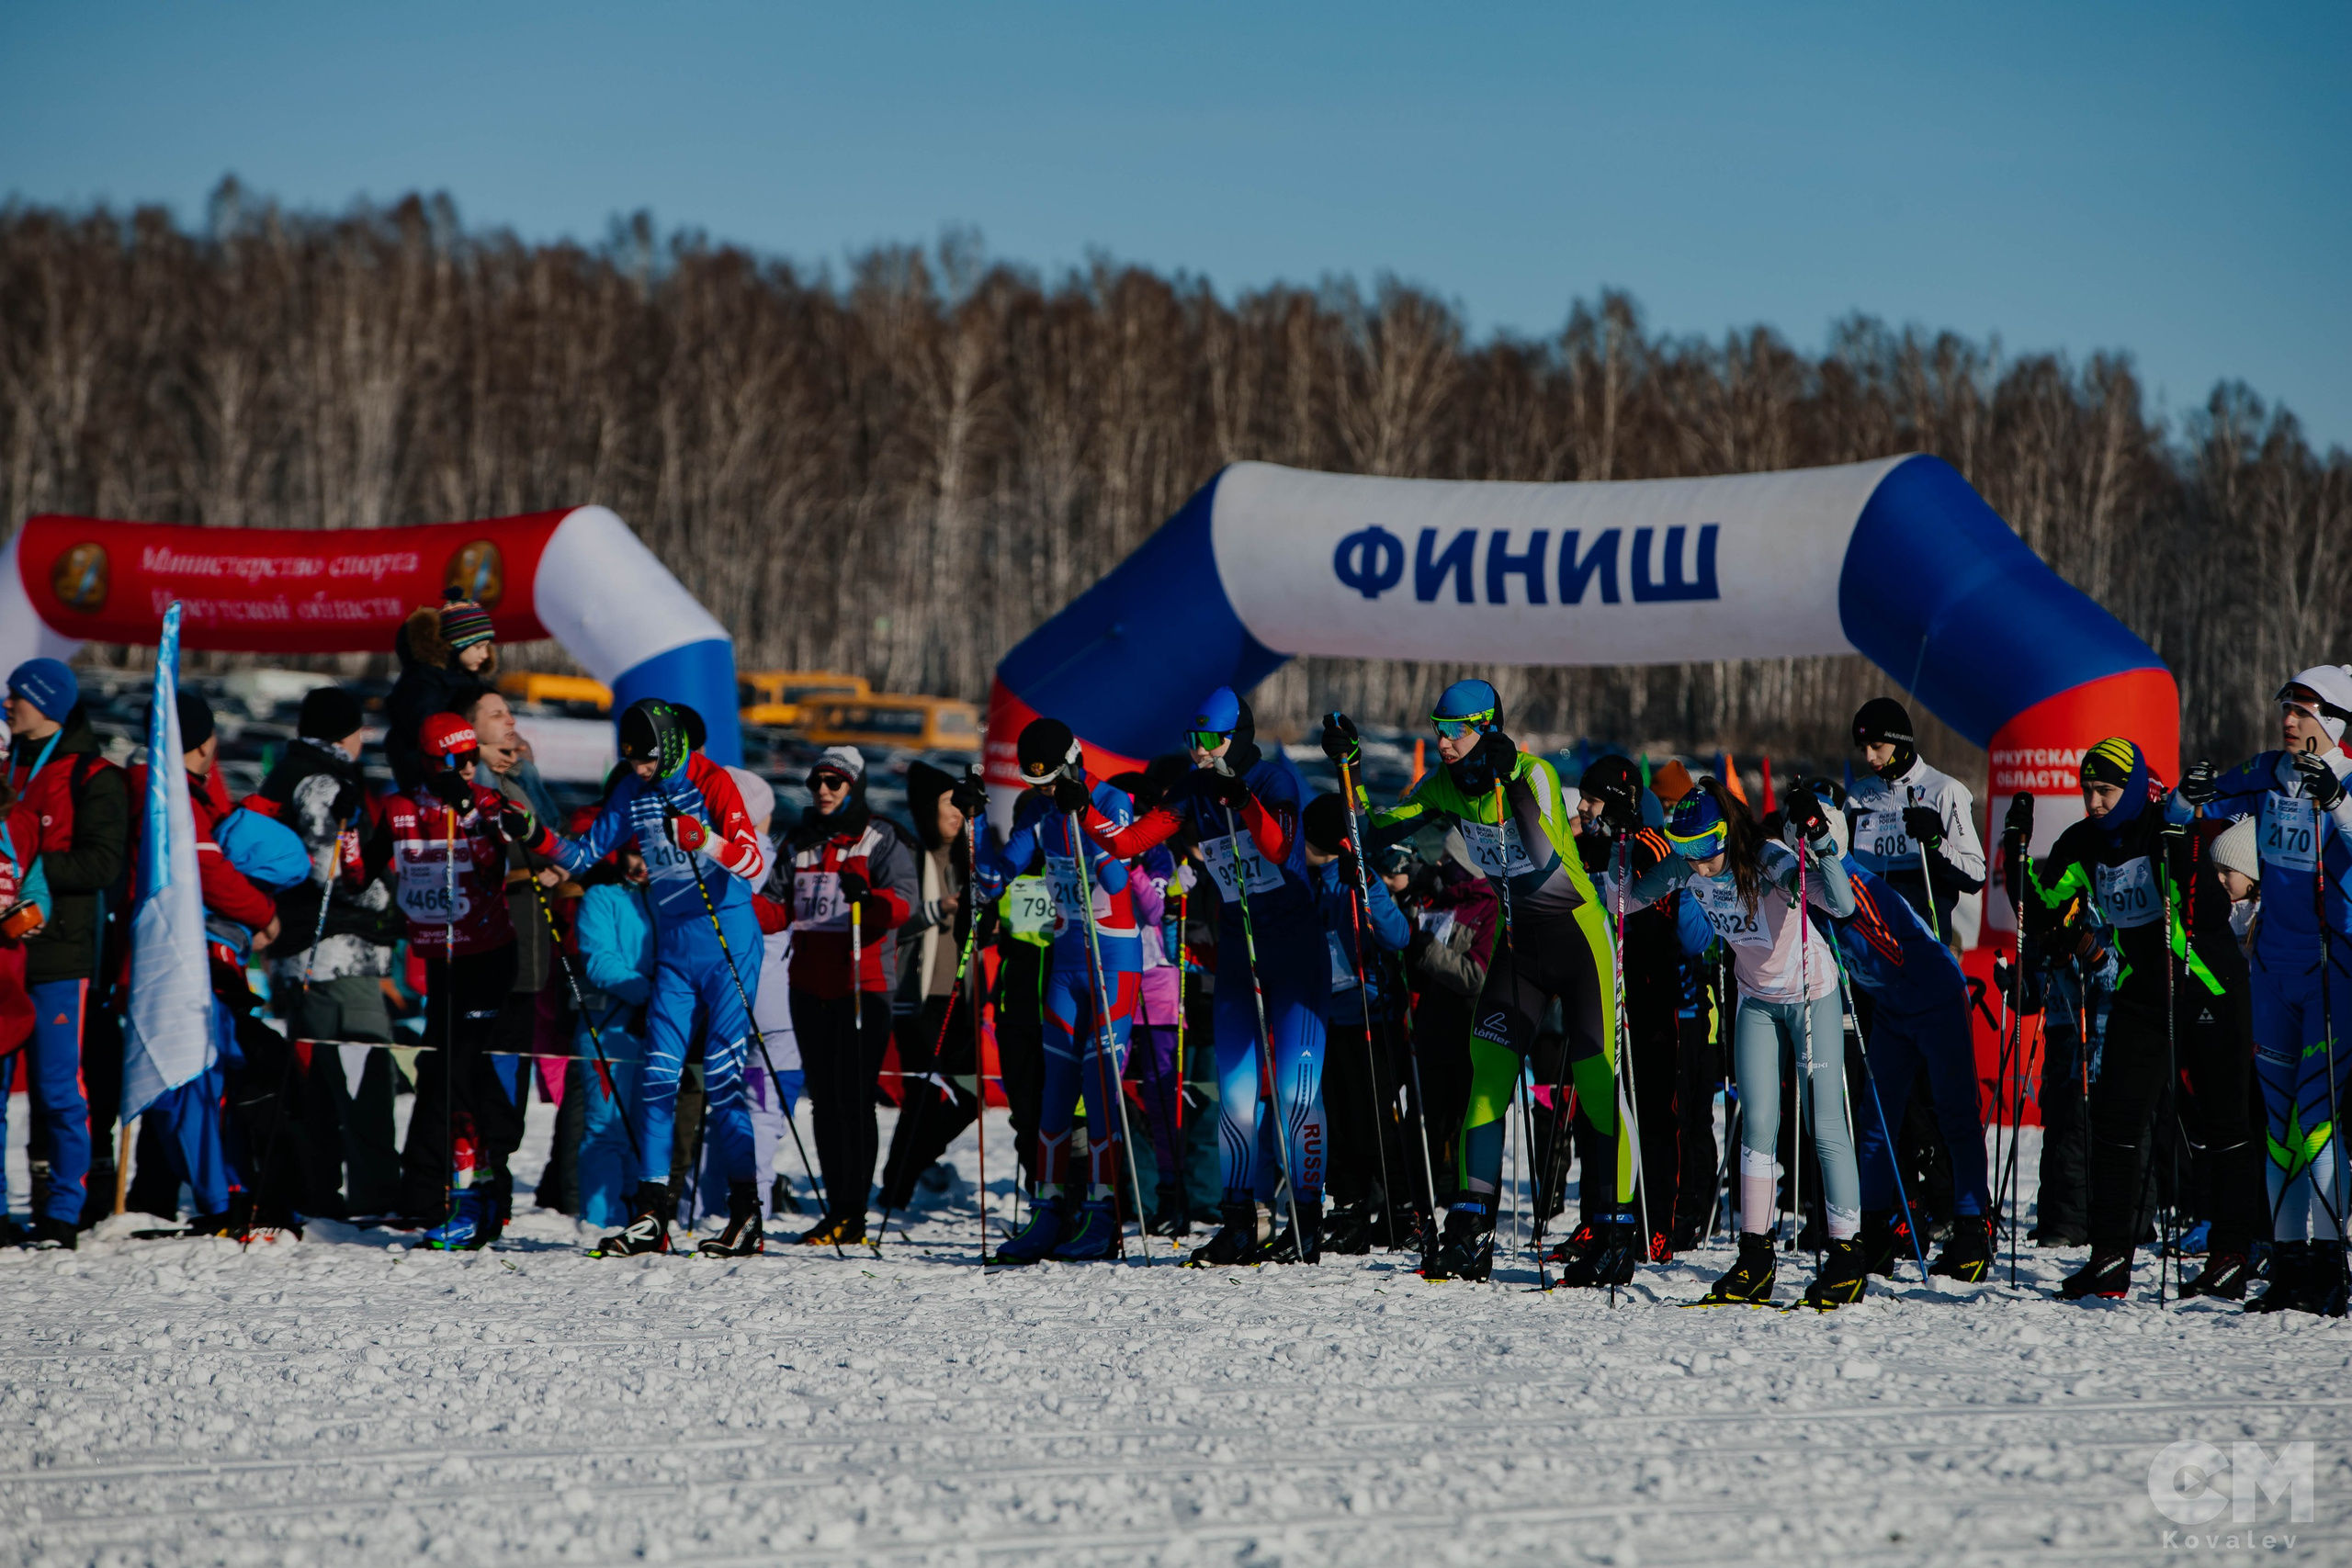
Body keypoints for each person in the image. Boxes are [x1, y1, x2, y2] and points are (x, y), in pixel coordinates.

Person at [1327, 681, 1629, 1282]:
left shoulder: (1536, 774)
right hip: (1519, 950)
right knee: (1486, 1078)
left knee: (1594, 1081)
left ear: (1486, 727)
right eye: (1437, 728)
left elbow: (1543, 856)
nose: (1441, 740)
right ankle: (1470, 1225)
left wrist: (1508, 782)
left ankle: (1614, 1226)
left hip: (1578, 939)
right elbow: (1373, 832)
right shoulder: (1445, 786)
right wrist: (1349, 769)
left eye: (1454, 730)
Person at [1082, 689, 1328, 1266]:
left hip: (1294, 955)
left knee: (1296, 1095)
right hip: (1240, 957)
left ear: (1235, 739)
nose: (1199, 751)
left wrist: (1240, 797)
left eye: (1211, 741)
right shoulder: (1194, 788)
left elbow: (1279, 844)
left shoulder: (1272, 783)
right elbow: (1128, 843)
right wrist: (1082, 796)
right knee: (1236, 1098)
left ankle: (1307, 1221)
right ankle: (1241, 1220)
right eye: (1192, 741)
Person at [525, 700, 772, 1257]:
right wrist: (534, 833)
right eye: (631, 762)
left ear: (676, 748)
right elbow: (584, 853)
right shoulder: (635, 791)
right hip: (677, 953)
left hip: (729, 941)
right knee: (657, 1078)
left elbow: (756, 868)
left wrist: (703, 839)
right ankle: (651, 1215)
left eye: (647, 761)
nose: (637, 771)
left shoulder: (714, 784)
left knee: (724, 1083)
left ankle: (746, 1214)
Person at [2016, 737, 2257, 1302]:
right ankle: (2109, 1257)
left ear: (2131, 789)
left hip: (2208, 986)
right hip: (2142, 991)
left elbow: (2187, 868)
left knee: (2222, 1125)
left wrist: (2181, 813)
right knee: (2117, 1121)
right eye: (2088, 791)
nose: (2095, 802)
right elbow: (2048, 906)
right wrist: (2017, 856)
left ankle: (2231, 1253)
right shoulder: (2081, 844)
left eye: (2106, 791)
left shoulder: (2162, 827)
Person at [1634, 777, 1865, 1309]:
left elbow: (1839, 904)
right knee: (1757, 1123)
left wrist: (1824, 846)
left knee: (1823, 1120)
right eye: (1684, 850)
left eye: (1702, 848)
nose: (1694, 863)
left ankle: (1847, 1255)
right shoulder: (1688, 865)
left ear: (1726, 833)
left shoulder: (1768, 860)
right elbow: (1625, 900)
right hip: (1756, 1000)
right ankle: (1756, 1255)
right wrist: (1620, 847)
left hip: (1810, 994)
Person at [2174, 667, 2352, 1314]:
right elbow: (2191, 808)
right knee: (2279, 1130)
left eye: (2303, 709)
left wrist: (2335, 801)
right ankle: (2289, 1264)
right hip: (2271, 970)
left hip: (2333, 971)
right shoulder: (2270, 771)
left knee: (2317, 1127)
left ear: (2331, 719)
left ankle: (2330, 1268)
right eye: (2286, 706)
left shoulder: (2346, 778)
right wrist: (2187, 794)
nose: (2289, 718)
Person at [1801, 780, 1996, 1282]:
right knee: (1875, 1120)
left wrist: (1840, 946)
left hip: (1933, 999)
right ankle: (1874, 1230)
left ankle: (1973, 1226)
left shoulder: (1856, 886)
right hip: (1891, 1010)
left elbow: (1892, 952)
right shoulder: (1815, 891)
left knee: (1955, 1112)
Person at [974, 720, 1144, 1263]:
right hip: (1067, 961)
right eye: (1033, 784)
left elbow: (1118, 882)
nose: (1043, 792)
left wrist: (1080, 820)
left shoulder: (1112, 800)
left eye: (1048, 782)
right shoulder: (1042, 813)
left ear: (1072, 764)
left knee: (1099, 1096)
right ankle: (1048, 1212)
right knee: (1052, 1096)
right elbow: (996, 874)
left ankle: (1103, 1215)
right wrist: (977, 821)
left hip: (1112, 961)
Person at [123, 693, 285, 1233]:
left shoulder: (154, 786)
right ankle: (224, 1198)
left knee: (183, 1081)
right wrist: (265, 915)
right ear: (203, 743)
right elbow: (210, 873)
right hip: (177, 958)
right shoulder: (171, 795)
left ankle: (193, 1192)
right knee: (195, 1077)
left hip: (153, 956)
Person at [244, 684, 402, 1221]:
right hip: (337, 953)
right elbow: (330, 868)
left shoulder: (291, 772)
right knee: (364, 1081)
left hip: (306, 951)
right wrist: (386, 895)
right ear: (347, 732)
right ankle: (376, 1198)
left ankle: (318, 1193)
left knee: (319, 1083)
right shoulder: (322, 783)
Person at [370, 713, 526, 1248]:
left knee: (464, 1071)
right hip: (441, 961)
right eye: (451, 763)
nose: (462, 771)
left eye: (467, 761)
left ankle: (487, 1185)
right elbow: (361, 870)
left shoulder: (484, 803)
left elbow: (492, 866)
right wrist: (349, 852)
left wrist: (469, 816)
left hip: (487, 956)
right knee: (449, 1076)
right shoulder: (398, 808)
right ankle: (469, 1194)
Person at [774, 744, 914, 1248]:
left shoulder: (882, 838)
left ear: (854, 786)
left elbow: (902, 905)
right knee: (824, 1103)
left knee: (854, 1099)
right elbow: (776, 906)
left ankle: (854, 1210)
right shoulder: (801, 841)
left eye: (835, 783)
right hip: (809, 986)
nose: (824, 791)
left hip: (864, 986)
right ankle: (837, 1206)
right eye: (817, 783)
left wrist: (867, 897)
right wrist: (738, 906)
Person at [5, 658, 126, 1242]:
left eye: (16, 697)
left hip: (60, 957)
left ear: (47, 702)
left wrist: (21, 867)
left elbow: (103, 864)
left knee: (59, 1090)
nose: (7, 705)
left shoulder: (94, 776)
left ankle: (63, 1211)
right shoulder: (7, 766)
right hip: (4, 956)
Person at [1573, 754, 1690, 1263]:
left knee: (1652, 1115)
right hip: (1603, 991)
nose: (1583, 809)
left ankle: (1656, 1222)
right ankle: (1598, 1218)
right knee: (1598, 1111)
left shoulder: (1651, 846)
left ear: (1618, 801)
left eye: (1593, 800)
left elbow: (1662, 918)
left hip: (1650, 994)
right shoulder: (1596, 845)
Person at [1302, 791, 1411, 1254]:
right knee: (1340, 1120)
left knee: (1374, 1122)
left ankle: (1401, 1210)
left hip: (1372, 1016)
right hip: (1329, 1019)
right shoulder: (1304, 879)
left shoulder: (1355, 878)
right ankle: (1348, 1209)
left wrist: (1365, 886)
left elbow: (1398, 935)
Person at [876, 761, 981, 1219]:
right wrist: (942, 907)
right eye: (948, 804)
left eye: (961, 804)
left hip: (962, 995)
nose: (957, 813)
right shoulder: (910, 856)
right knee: (920, 1095)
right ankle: (895, 1189)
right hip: (918, 995)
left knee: (969, 1094)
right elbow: (897, 921)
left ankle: (908, 1168)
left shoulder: (971, 859)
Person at [1847, 697, 1985, 942]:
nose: (1869, 757)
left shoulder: (1944, 790)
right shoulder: (1858, 796)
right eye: (1863, 748)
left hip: (1923, 937)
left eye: (1877, 746)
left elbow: (1975, 875)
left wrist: (1935, 843)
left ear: (1899, 741)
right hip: (1871, 940)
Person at [572, 840, 655, 1232]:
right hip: (610, 1030)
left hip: (658, 1030)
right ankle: (602, 1219)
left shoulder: (668, 898)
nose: (643, 864)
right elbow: (599, 961)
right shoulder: (601, 898)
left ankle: (643, 1217)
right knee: (606, 1128)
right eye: (635, 854)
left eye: (652, 854)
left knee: (648, 1129)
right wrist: (651, 993)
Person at [386, 596, 497, 795]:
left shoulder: (466, 680)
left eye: (487, 647)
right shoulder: (421, 683)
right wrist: (479, 752)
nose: (485, 655)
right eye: (478, 647)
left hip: (461, 760)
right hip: (427, 773)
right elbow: (428, 735)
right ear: (457, 644)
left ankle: (542, 825)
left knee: (523, 769)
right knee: (486, 774)